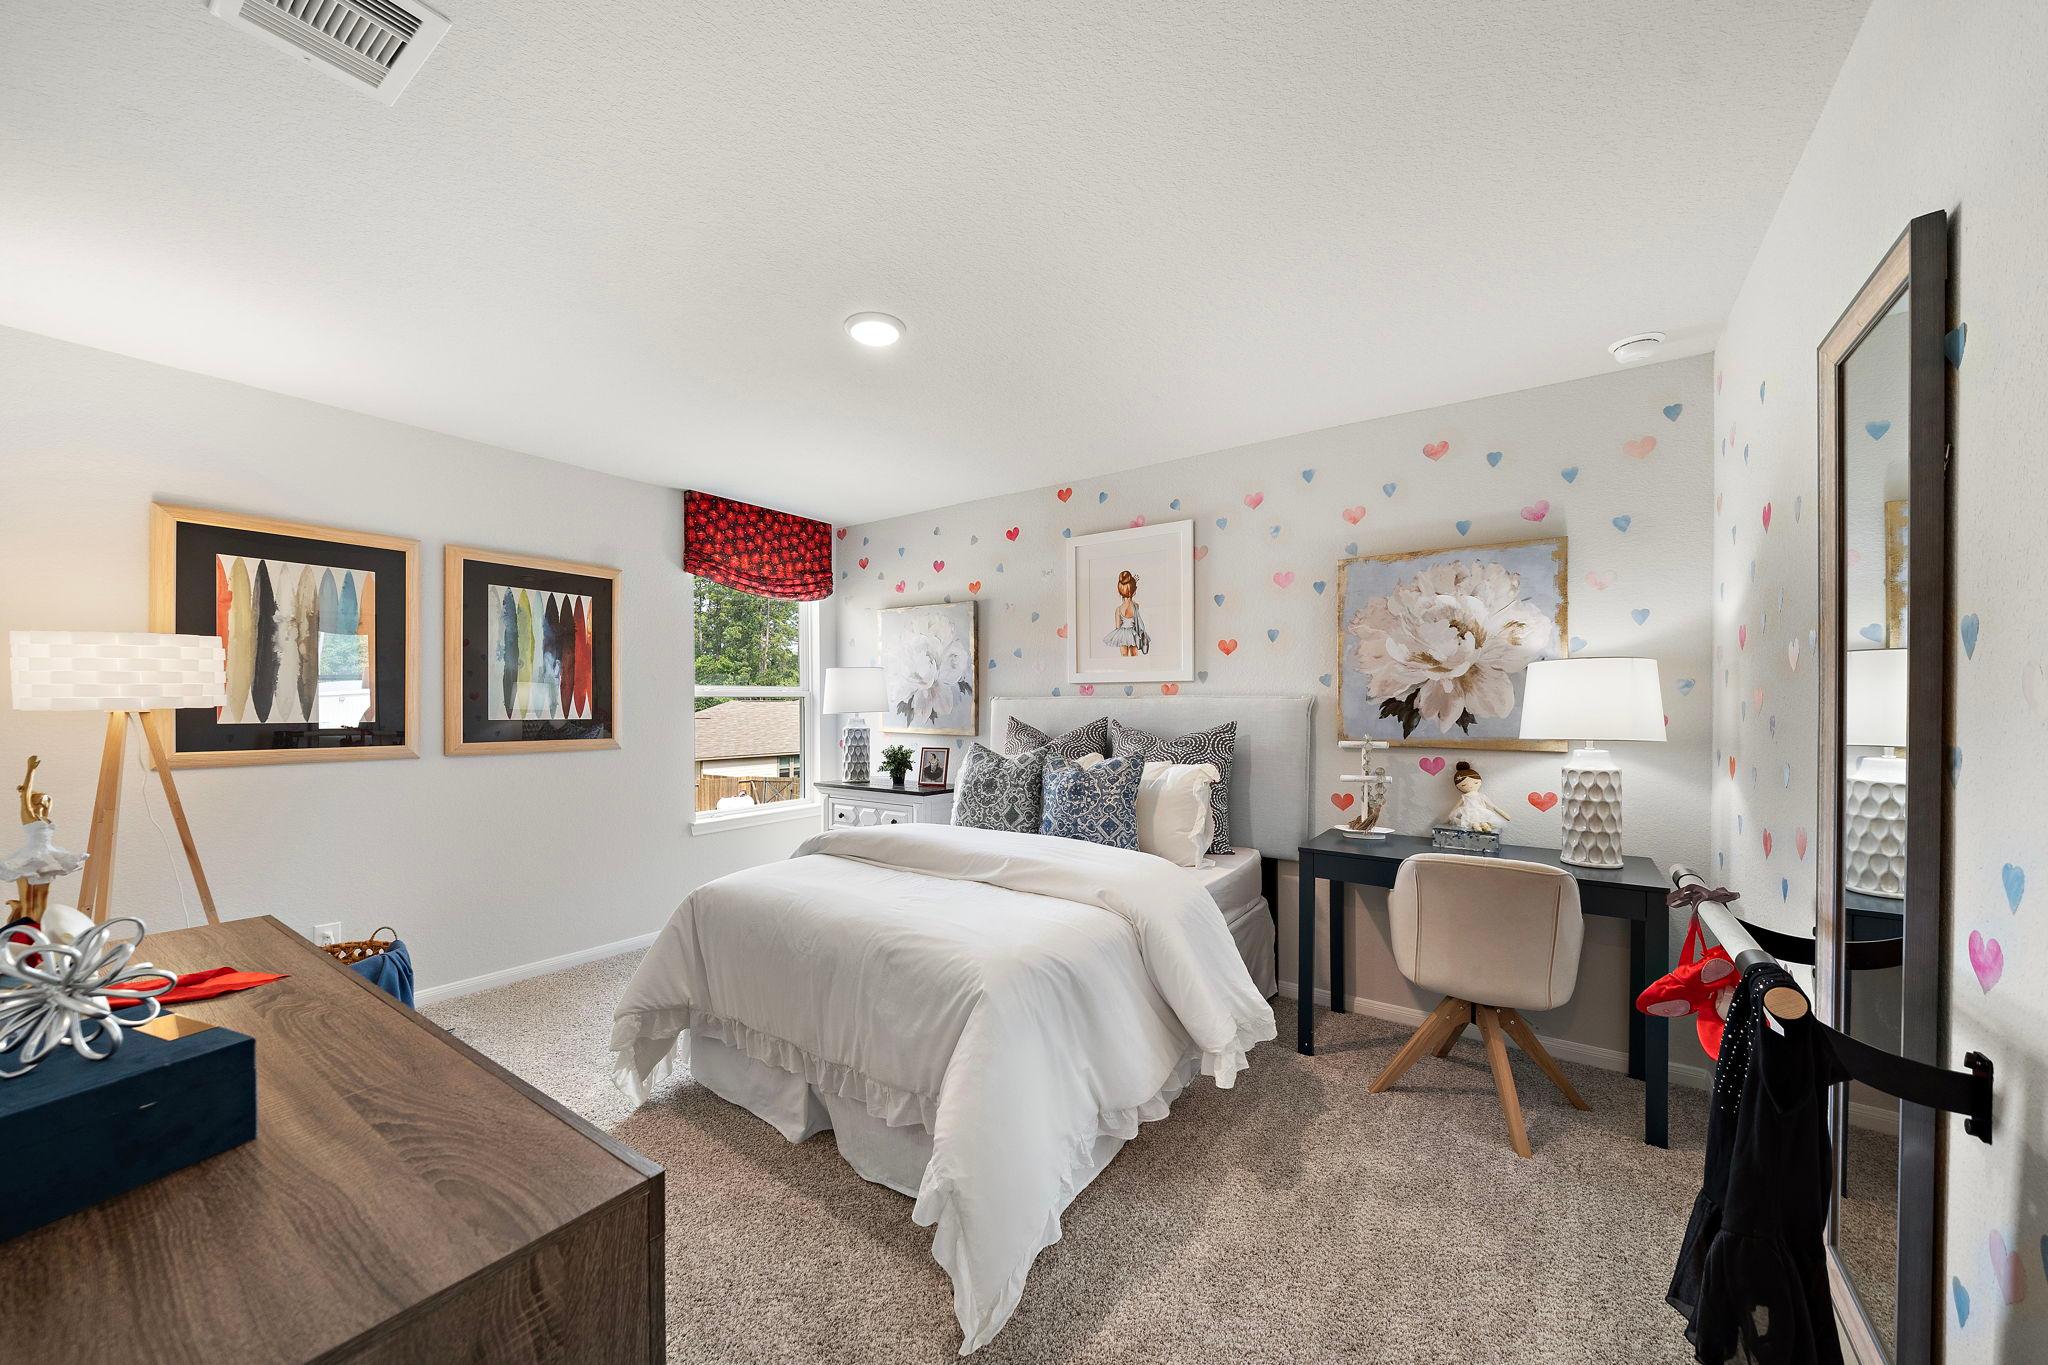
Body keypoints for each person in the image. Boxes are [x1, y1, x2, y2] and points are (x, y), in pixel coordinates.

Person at [1443, 760, 1513, 833]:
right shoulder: (1464, 796)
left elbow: (1493, 806)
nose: (1470, 786)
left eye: (1475, 782)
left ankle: (1485, 827)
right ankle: (1478, 827)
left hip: (1481, 811)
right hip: (1468, 812)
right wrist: (1449, 818)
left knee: (1484, 821)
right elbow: (1455, 807)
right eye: (1464, 785)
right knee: (1474, 822)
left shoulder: (1480, 795)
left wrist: (1504, 815)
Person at [1100, 569, 1151, 657]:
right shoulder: (1136, 606)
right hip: (1133, 634)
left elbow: (1117, 626)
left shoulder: (1118, 609)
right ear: (1134, 592)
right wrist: (1133, 584)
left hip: (1122, 635)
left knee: (1124, 655)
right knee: (1134, 655)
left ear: (1120, 591)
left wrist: (1131, 584)